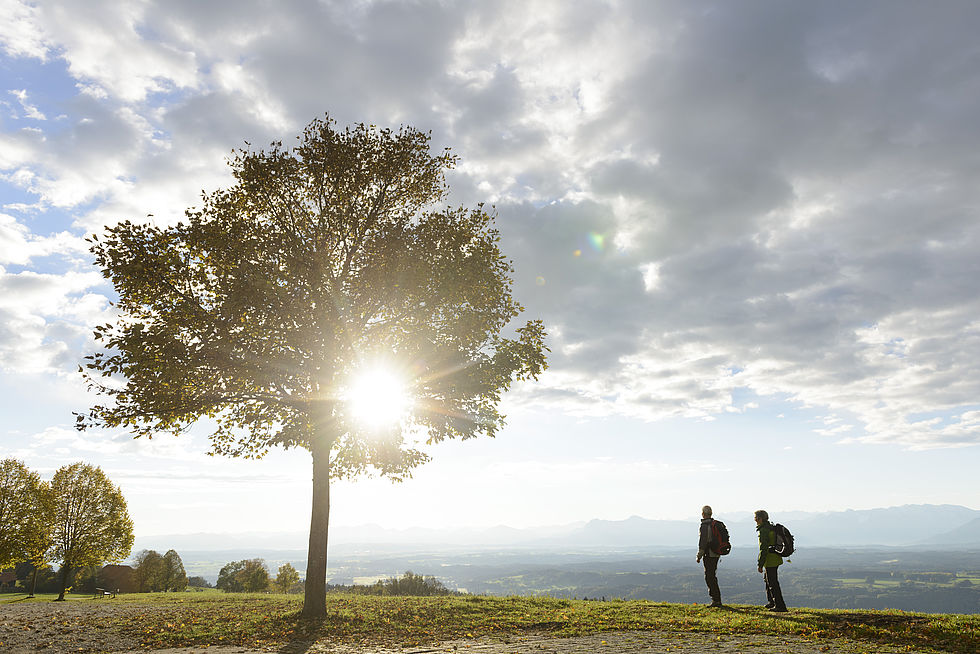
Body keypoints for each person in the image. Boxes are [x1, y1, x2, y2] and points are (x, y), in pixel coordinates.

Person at [755, 509, 787, 612]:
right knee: (768, 579)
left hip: (770, 559)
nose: (754, 519)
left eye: (755, 517)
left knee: (772, 582)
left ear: (760, 519)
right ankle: (772, 602)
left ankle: (780, 605)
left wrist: (760, 564)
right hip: (775, 557)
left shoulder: (764, 530)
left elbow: (763, 549)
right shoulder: (771, 527)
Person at [696, 505, 723, 607]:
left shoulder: (704, 526)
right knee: (712, 576)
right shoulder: (714, 524)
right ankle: (716, 599)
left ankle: (716, 600)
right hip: (716, 553)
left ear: (703, 514)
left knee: (709, 577)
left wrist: (699, 556)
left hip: (709, 554)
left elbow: (703, 542)